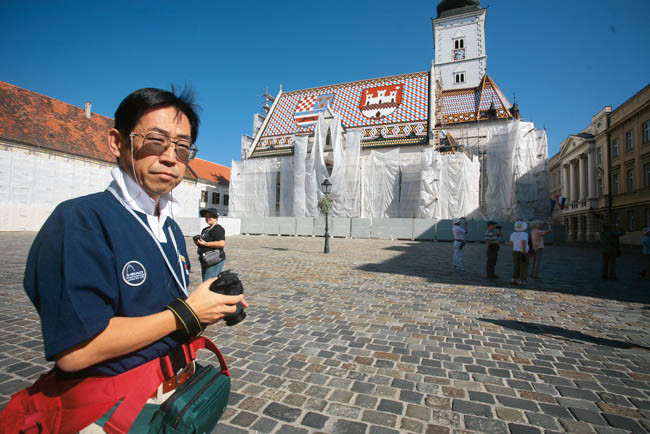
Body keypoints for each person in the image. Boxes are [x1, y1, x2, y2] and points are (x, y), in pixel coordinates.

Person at [4, 88, 248, 433]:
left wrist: (206, 308)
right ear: (118, 143)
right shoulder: (81, 221)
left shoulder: (170, 228)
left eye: (182, 147)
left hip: (176, 399)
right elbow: (76, 351)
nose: (170, 157)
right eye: (155, 141)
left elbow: (158, 315)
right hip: (114, 408)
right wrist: (187, 313)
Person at [195, 207, 226, 280]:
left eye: (210, 216)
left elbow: (221, 243)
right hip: (206, 259)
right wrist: (198, 243)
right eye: (206, 216)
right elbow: (204, 243)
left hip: (214, 259)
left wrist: (206, 244)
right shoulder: (205, 229)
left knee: (208, 282)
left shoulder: (217, 228)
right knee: (206, 281)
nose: (208, 218)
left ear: (216, 217)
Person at [509, 220, 530, 285]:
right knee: (523, 266)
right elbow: (524, 242)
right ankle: (521, 280)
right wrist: (523, 252)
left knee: (516, 266)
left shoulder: (512, 234)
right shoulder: (524, 234)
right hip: (523, 252)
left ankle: (514, 278)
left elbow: (511, 243)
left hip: (515, 251)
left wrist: (516, 246)